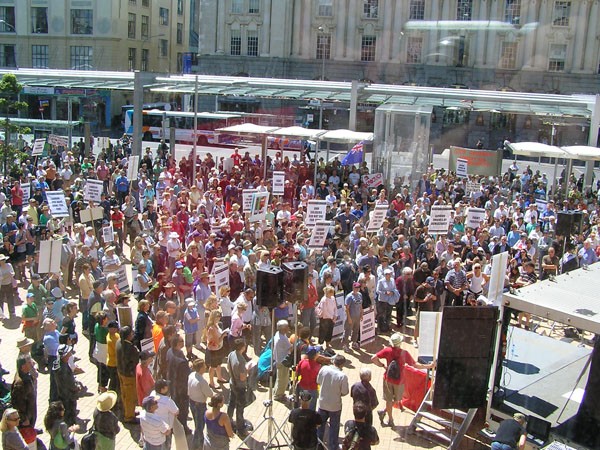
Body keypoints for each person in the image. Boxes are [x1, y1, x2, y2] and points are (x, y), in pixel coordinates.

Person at [371, 333, 432, 428]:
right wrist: (429, 366)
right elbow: (415, 365)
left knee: (389, 400)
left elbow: (373, 358)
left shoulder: (387, 350)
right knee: (397, 399)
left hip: (387, 378)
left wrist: (382, 366)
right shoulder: (404, 353)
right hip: (399, 381)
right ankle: (384, 413)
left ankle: (389, 418)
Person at [317, 354, 349, 450]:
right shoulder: (342, 376)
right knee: (334, 427)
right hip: (335, 406)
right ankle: (332, 446)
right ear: (342, 365)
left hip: (322, 403)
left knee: (320, 425)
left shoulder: (324, 369)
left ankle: (319, 444)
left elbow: (318, 381)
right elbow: (345, 392)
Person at [188, 359, 214, 449]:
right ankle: (197, 445)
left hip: (191, 403)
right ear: (200, 368)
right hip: (200, 406)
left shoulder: (191, 375)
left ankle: (199, 441)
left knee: (197, 423)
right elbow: (210, 394)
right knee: (200, 427)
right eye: (204, 366)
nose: (206, 367)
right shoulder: (202, 381)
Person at [226, 339, 250, 436]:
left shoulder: (231, 354)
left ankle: (228, 420)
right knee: (240, 408)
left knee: (231, 403)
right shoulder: (240, 361)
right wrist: (247, 370)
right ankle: (240, 429)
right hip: (240, 386)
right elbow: (242, 377)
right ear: (242, 347)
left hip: (232, 382)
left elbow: (228, 367)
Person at [116, 326, 139, 424]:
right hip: (129, 375)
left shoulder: (118, 342)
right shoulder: (130, 348)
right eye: (131, 334)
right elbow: (135, 360)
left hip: (121, 372)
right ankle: (129, 417)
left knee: (124, 393)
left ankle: (129, 411)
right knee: (130, 396)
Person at [52, 344, 79, 426]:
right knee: (70, 413)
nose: (70, 354)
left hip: (61, 393)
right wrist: (76, 387)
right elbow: (70, 383)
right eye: (68, 353)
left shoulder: (57, 363)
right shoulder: (64, 369)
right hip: (68, 395)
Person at [273, 319, 292, 401]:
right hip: (282, 361)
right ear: (284, 329)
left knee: (279, 378)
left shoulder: (278, 334)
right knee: (283, 380)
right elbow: (291, 348)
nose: (288, 328)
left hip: (278, 359)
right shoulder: (282, 339)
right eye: (287, 327)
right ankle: (279, 395)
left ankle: (277, 392)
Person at [342, 282, 363, 352]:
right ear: (353, 288)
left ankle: (354, 342)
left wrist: (361, 314)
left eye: (358, 287)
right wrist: (349, 318)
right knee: (347, 331)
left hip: (357, 317)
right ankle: (345, 345)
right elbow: (346, 308)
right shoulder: (349, 296)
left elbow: (360, 305)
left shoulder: (360, 295)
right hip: (350, 317)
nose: (357, 289)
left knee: (356, 330)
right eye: (356, 287)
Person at [316, 286, 337, 352]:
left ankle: (327, 344)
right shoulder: (324, 300)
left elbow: (335, 308)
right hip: (325, 318)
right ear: (327, 292)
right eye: (331, 292)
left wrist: (335, 316)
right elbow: (324, 311)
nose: (332, 293)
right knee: (323, 332)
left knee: (329, 331)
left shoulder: (333, 298)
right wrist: (331, 317)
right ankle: (320, 345)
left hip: (331, 318)